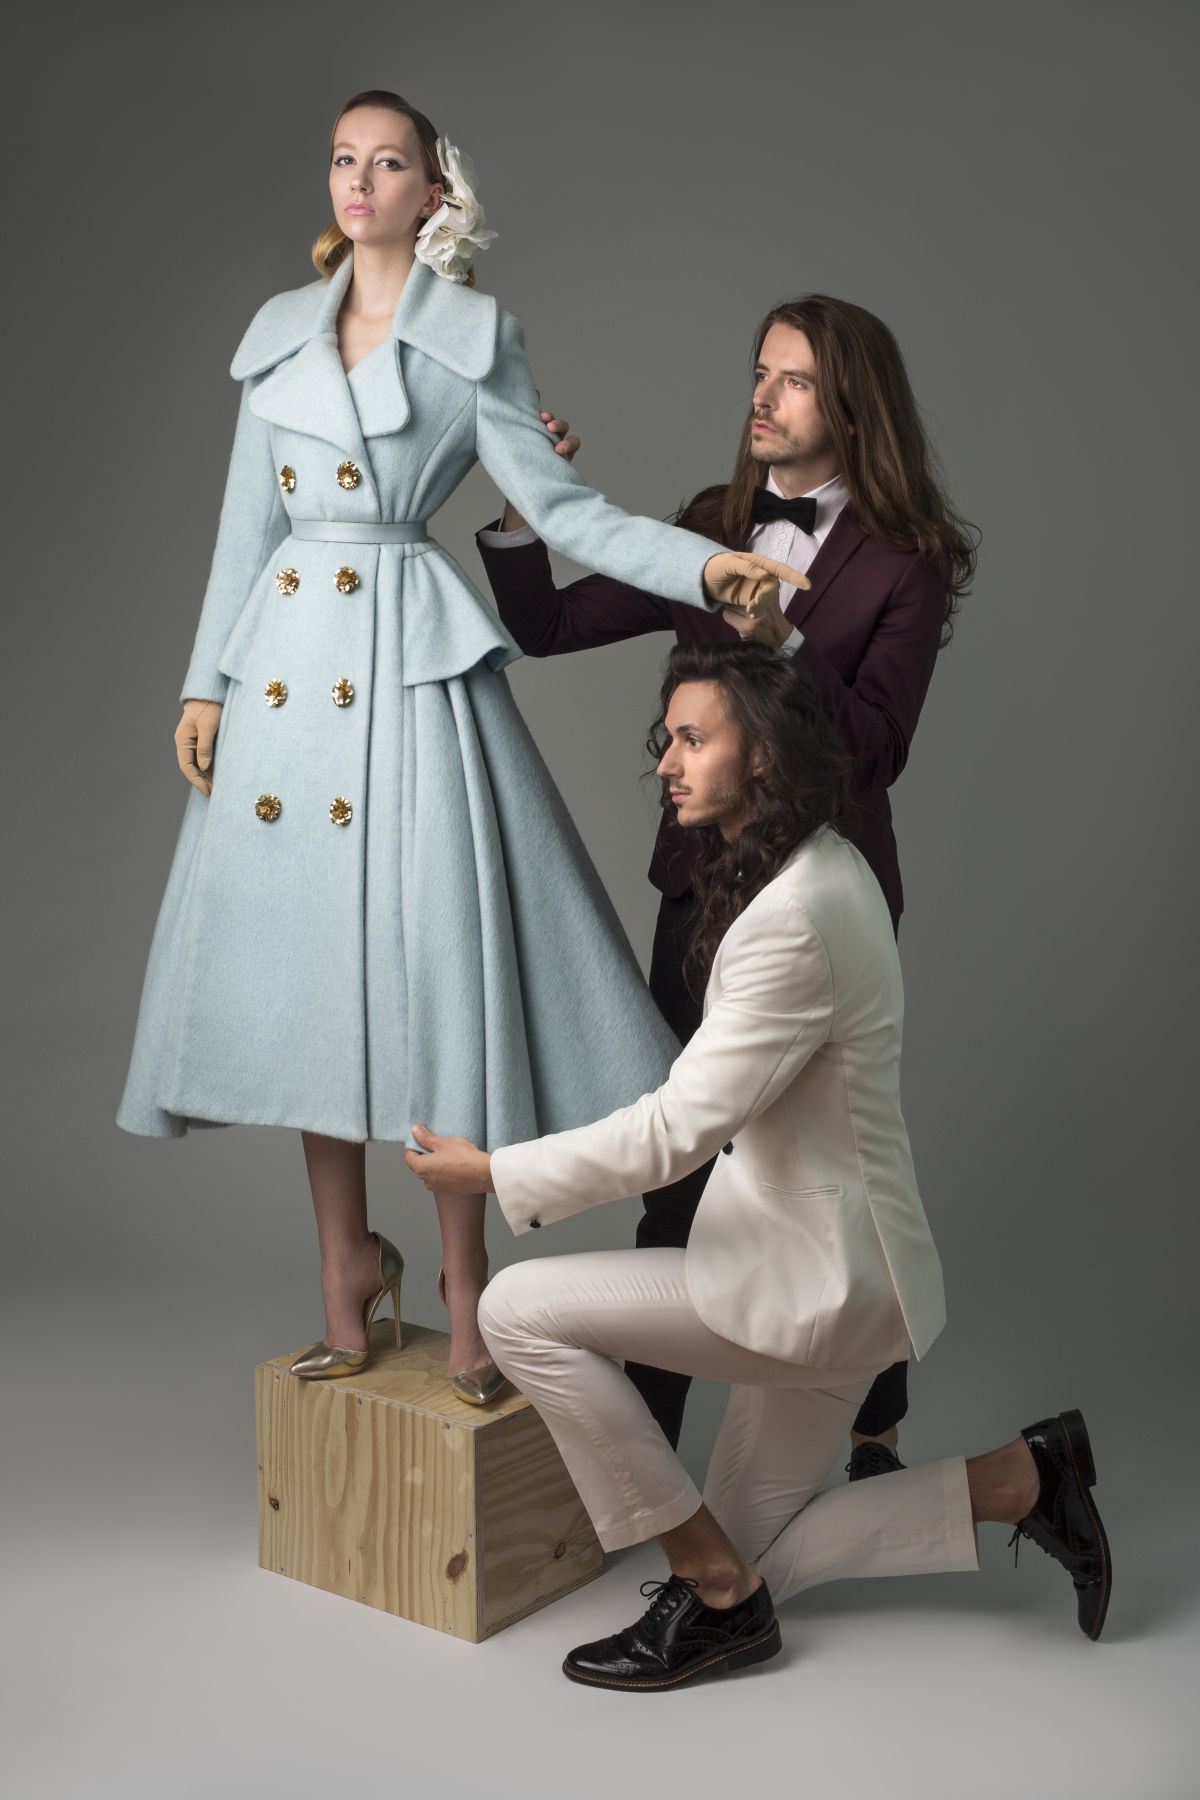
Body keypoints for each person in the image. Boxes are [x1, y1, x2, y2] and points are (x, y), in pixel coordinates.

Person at [115, 89, 807, 1405]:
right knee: (310, 987)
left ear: (432, 193)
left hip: (408, 672)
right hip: (286, 675)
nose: (359, 180)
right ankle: (342, 1278)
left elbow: (568, 512)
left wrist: (707, 565)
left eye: (388, 163)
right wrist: (205, 685)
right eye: (343, 159)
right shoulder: (277, 335)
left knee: (437, 978)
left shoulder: (474, 339)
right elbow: (243, 532)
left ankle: (464, 1288)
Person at [406, 642, 1110, 1690]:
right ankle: (1020, 1477)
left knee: (514, 1310)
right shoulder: (824, 863)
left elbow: (676, 1130)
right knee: (755, 1564)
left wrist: (495, 1173)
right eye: (667, 740)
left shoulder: (790, 919)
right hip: (849, 1276)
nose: (666, 763)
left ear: (765, 755)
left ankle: (709, 1579)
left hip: (811, 1287)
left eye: (693, 740)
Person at [474, 294, 977, 1468]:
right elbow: (547, 626)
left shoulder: (904, 566)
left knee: (823, 1170)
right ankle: (649, 1456)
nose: (762, 395)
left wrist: (778, 636)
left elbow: (876, 750)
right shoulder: (711, 526)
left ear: (852, 405)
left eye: (792, 379)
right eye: (759, 372)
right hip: (701, 888)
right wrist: (522, 508)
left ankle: (872, 1430)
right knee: (681, 1171)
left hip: (824, 893)